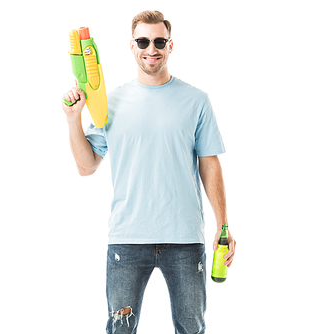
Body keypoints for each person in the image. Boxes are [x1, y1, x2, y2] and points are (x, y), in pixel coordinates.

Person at [62, 10, 236, 334]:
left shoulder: (196, 101)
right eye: (143, 41)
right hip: (127, 238)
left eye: (159, 41)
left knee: (192, 329)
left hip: (184, 239)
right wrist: (74, 120)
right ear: (132, 46)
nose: (151, 48)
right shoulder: (108, 103)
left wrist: (223, 225)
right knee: (119, 329)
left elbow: (209, 163)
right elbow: (87, 167)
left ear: (171, 45)